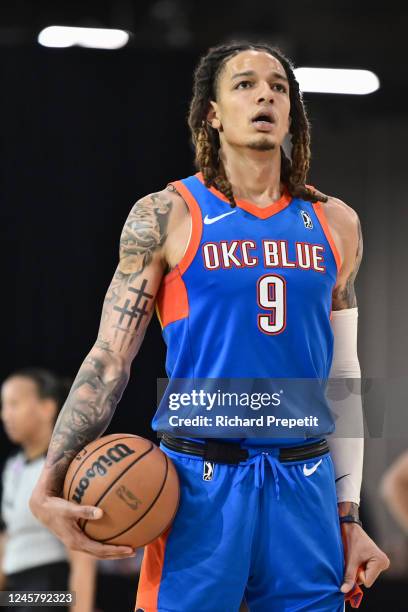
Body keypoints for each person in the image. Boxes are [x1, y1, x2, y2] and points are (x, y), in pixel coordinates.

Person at [29, 41, 390, 611]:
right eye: (245, 84)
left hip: (305, 483)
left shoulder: (336, 222)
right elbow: (109, 358)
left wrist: (349, 516)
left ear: (292, 111)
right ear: (212, 113)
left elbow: (344, 374)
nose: (265, 93)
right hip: (198, 480)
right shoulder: (166, 214)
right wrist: (48, 482)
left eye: (278, 86)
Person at [0, 368, 96, 612]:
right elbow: (7, 541)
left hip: (49, 589)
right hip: (16, 590)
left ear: (47, 408)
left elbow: (82, 557)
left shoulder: (66, 469)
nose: (5, 415)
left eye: (14, 404)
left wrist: (81, 607)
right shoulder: (13, 468)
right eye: (3, 405)